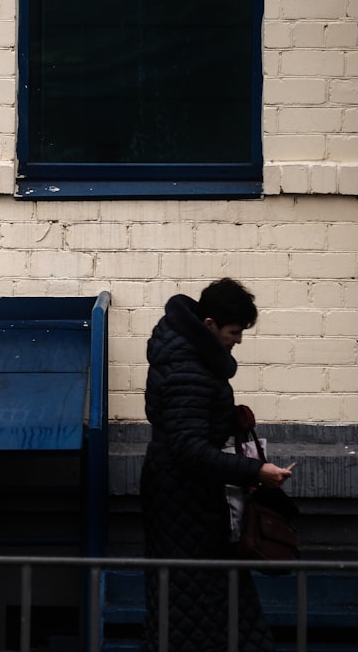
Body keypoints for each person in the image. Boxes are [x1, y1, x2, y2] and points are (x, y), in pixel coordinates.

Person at [139, 278, 293, 652]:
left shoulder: (189, 358)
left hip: (188, 501)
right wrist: (256, 472)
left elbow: (187, 431)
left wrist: (227, 420)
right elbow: (188, 448)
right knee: (194, 607)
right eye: (234, 332)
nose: (238, 340)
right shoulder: (188, 368)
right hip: (184, 503)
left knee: (203, 606)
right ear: (208, 325)